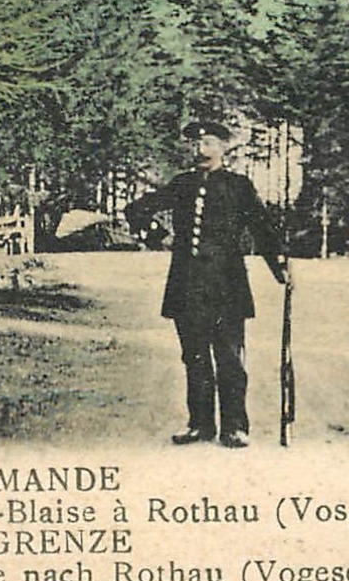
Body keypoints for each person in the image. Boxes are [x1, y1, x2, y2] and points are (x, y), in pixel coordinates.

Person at [124, 121, 289, 448]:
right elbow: (136, 209)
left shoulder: (238, 186)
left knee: (229, 357)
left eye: (209, 143)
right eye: (197, 144)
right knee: (195, 357)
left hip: (227, 284)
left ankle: (235, 427)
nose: (201, 150)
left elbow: (262, 227)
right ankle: (200, 425)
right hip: (187, 284)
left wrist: (280, 267)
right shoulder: (182, 184)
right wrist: (161, 237)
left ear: (224, 148)